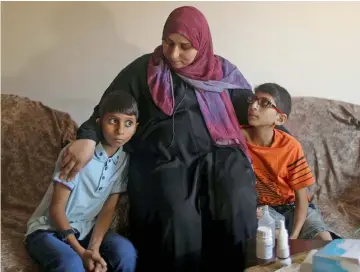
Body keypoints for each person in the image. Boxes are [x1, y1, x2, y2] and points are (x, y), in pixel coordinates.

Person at [55, 6, 269, 272]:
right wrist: (87, 138)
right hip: (165, 158)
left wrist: (278, 134)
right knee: (177, 213)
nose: (174, 54)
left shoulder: (222, 72)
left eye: (185, 46)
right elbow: (108, 109)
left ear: (202, 45)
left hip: (219, 155)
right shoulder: (144, 70)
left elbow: (255, 113)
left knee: (236, 198)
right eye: (168, 43)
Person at [25, 90, 138, 272]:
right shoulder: (77, 154)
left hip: (86, 229)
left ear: (136, 126)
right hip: (49, 229)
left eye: (128, 123)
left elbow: (108, 210)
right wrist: (80, 251)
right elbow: (56, 208)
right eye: (113, 121)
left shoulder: (124, 160)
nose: (120, 131)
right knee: (71, 264)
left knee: (125, 252)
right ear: (99, 122)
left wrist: (93, 247)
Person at [242, 83, 333, 241]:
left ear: (280, 118)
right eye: (253, 100)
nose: (254, 106)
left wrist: (295, 235)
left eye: (264, 103)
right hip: (263, 209)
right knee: (276, 240)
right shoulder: (237, 139)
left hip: (293, 206)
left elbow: (301, 196)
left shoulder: (290, 146)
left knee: (325, 241)